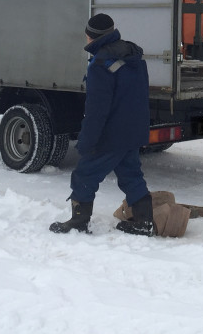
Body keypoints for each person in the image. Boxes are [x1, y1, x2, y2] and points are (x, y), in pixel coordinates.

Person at [49, 13, 156, 236]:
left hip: (112, 133)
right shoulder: (132, 55)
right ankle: (144, 222)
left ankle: (79, 222)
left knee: (84, 175)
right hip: (133, 129)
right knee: (131, 174)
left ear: (90, 36)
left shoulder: (100, 63)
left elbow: (97, 110)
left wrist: (87, 141)